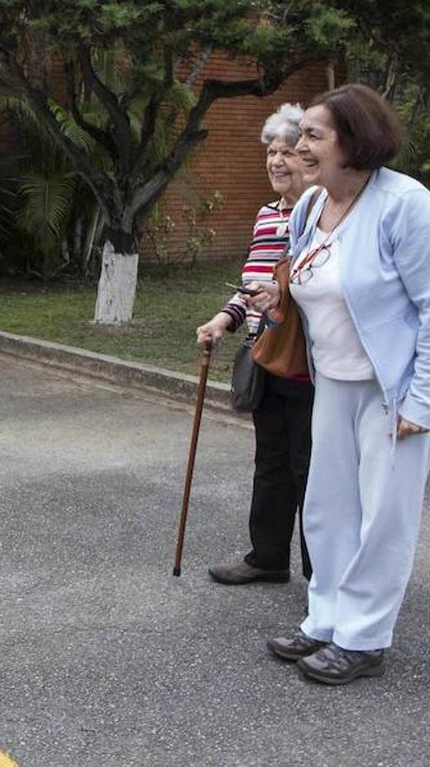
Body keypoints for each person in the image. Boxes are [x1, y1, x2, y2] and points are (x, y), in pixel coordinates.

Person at [253, 84, 430, 685]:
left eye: (314, 136)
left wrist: (425, 402)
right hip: (334, 384)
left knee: (382, 520)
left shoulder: (405, 205)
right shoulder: (310, 207)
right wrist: (279, 299)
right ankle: (325, 619)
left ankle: (364, 637)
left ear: (355, 141)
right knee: (327, 509)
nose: (299, 146)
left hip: (393, 392)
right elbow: (309, 281)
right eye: (301, 134)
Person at [196, 104, 314, 586]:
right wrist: (223, 320)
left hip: (308, 361)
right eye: (271, 152)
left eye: (287, 152)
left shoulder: (323, 214)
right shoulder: (266, 215)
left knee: (311, 470)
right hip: (265, 353)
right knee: (270, 463)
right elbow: (252, 284)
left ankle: (323, 579)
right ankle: (267, 557)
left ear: (309, 157)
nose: (276, 161)